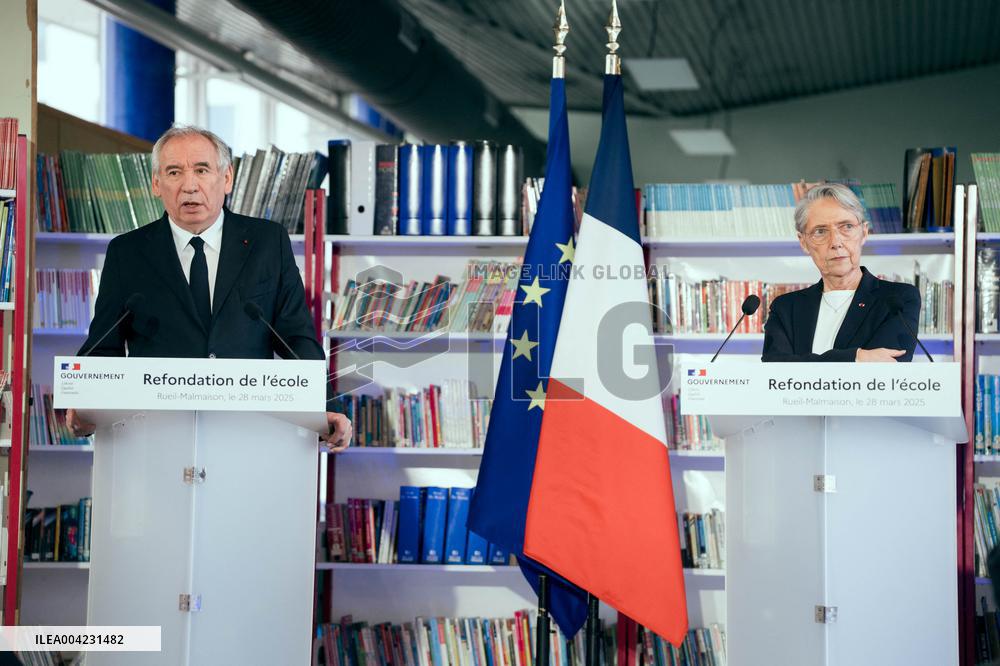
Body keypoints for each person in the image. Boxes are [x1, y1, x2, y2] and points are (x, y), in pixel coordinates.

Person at [65, 125, 351, 450]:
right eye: (174, 172)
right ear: (156, 183)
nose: (189, 186)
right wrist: (84, 404)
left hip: (247, 435)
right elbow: (103, 346)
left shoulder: (267, 243)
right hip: (155, 439)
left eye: (202, 170)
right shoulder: (127, 252)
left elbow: (296, 337)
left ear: (226, 178)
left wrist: (324, 408)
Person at [762, 183, 921, 363]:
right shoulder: (785, 308)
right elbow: (775, 368)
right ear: (803, 242)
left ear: (864, 232)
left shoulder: (898, 299)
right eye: (820, 231)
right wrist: (856, 357)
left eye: (846, 227)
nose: (835, 242)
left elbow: (887, 367)